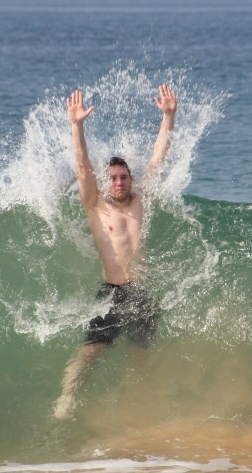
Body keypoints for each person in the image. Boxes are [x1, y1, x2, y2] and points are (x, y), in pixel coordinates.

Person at [53, 84, 177, 419]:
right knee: (90, 351)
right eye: (114, 178)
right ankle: (66, 401)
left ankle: (136, 404)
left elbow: (158, 158)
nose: (119, 182)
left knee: (140, 356)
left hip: (142, 294)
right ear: (107, 182)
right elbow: (82, 167)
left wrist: (168, 116)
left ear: (130, 179)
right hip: (112, 293)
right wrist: (77, 126)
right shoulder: (95, 206)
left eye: (124, 177)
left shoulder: (141, 200)